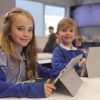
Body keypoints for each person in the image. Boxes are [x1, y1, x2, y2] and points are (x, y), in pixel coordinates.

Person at [0, 8, 55, 98]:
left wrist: (60, 73)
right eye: (20, 29)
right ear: (8, 30)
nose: (26, 34)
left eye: (30, 30)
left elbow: (42, 70)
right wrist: (32, 89)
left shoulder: (25, 54)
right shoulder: (2, 56)